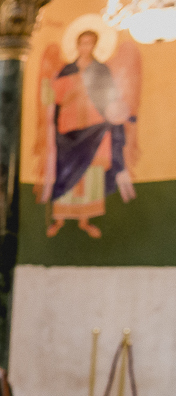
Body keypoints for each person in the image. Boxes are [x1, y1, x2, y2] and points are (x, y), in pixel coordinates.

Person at [39, 29, 139, 239]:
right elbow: (55, 98)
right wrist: (63, 88)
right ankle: (59, 219)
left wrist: (119, 113)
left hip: (95, 127)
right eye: (82, 43)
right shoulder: (67, 70)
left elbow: (111, 99)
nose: (86, 47)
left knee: (91, 171)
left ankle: (85, 220)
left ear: (95, 46)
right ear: (77, 45)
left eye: (90, 43)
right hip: (69, 130)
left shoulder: (101, 70)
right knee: (65, 170)